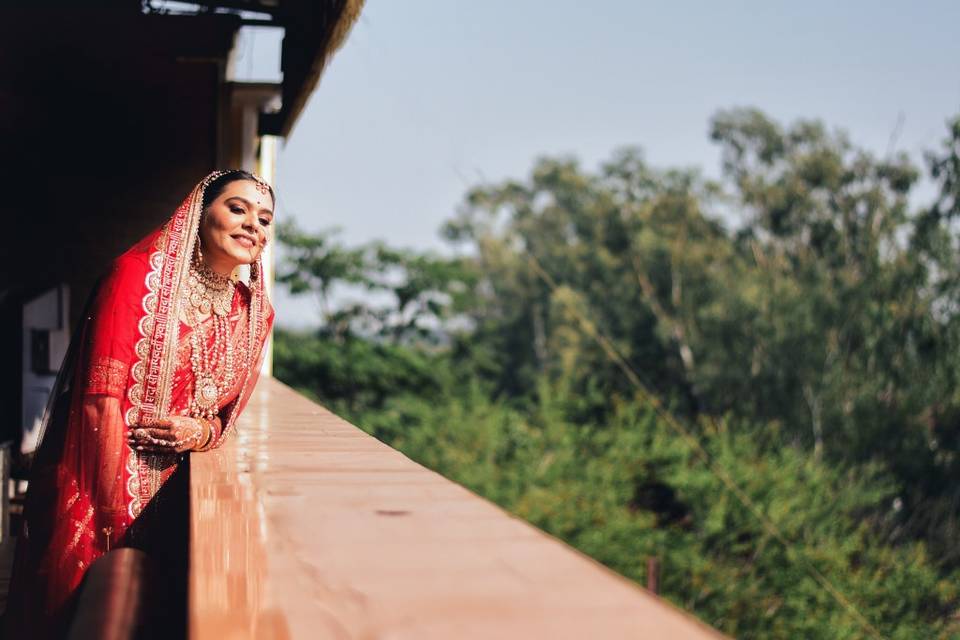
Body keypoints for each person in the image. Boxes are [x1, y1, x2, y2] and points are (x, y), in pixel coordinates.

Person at [4, 170, 276, 638]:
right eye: (238, 208)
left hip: (183, 497)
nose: (254, 224)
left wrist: (202, 432)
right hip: (97, 486)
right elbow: (99, 402)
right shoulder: (135, 278)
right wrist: (117, 516)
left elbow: (224, 415)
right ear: (197, 212)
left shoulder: (253, 312)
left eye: (265, 218)